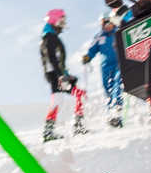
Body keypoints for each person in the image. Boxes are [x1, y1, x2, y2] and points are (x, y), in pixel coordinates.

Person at [37, 8, 84, 143]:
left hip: (57, 74)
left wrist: (66, 75)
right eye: (61, 20)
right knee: (58, 98)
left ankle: (78, 124)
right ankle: (49, 131)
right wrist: (60, 76)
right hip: (54, 75)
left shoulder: (52, 36)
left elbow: (58, 61)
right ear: (54, 20)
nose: (63, 23)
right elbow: (51, 58)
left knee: (78, 95)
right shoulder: (49, 37)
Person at [80, 14, 126, 131]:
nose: (106, 26)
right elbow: (92, 50)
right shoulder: (99, 37)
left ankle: (117, 110)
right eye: (104, 24)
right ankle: (111, 115)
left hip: (119, 64)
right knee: (108, 89)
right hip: (105, 67)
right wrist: (87, 57)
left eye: (108, 23)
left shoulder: (118, 33)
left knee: (117, 85)